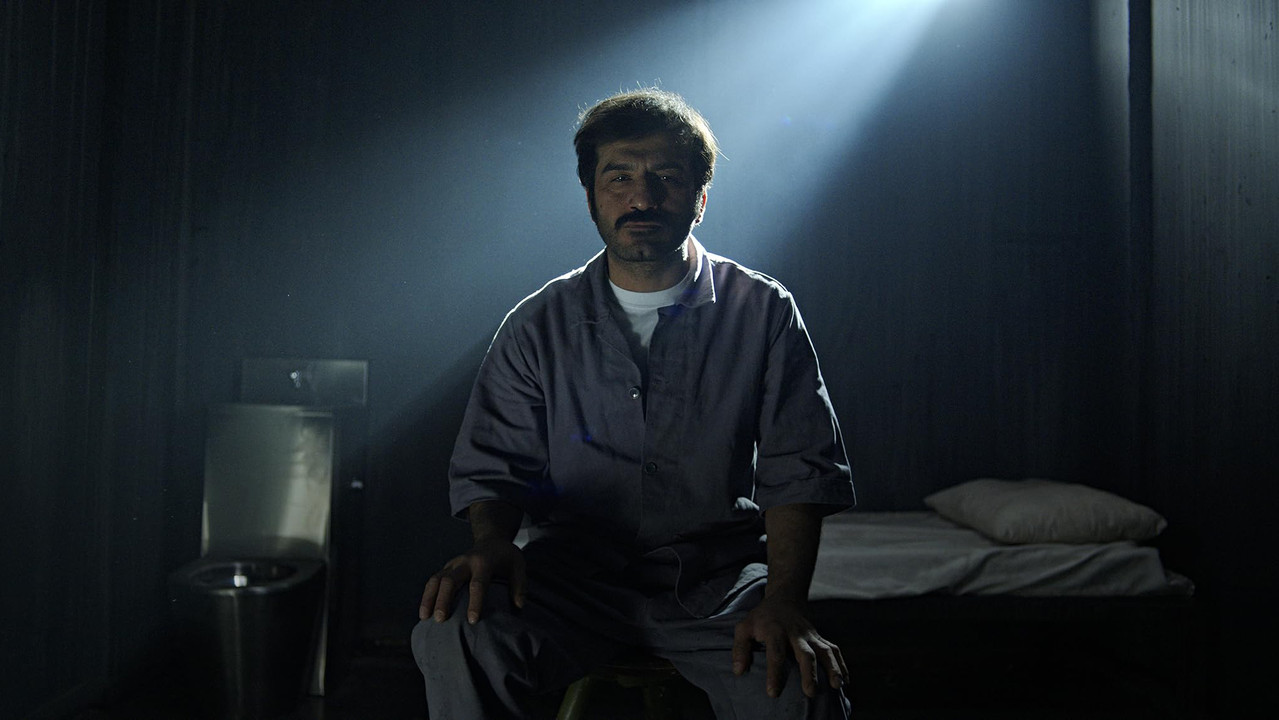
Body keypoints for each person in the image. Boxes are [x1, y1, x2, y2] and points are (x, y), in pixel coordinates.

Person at [412, 88, 855, 719]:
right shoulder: (537, 324)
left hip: (716, 586)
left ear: (700, 198)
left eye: (666, 178)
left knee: (802, 684)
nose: (641, 199)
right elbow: (493, 465)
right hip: (568, 581)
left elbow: (800, 469)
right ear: (591, 195)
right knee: (455, 630)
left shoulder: (762, 311)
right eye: (619, 178)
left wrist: (785, 599)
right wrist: (491, 541)